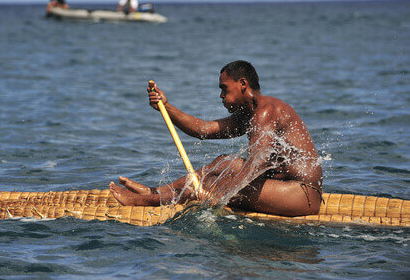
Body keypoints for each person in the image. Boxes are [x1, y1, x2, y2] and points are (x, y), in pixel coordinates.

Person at [109, 60, 323, 216]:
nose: (221, 96)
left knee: (211, 185)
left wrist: (218, 197)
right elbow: (203, 129)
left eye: (224, 89)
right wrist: (166, 107)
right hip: (283, 189)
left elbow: (258, 163)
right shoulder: (251, 114)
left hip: (303, 196)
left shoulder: (266, 111)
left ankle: (143, 201)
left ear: (242, 84)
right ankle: (153, 193)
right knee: (224, 163)